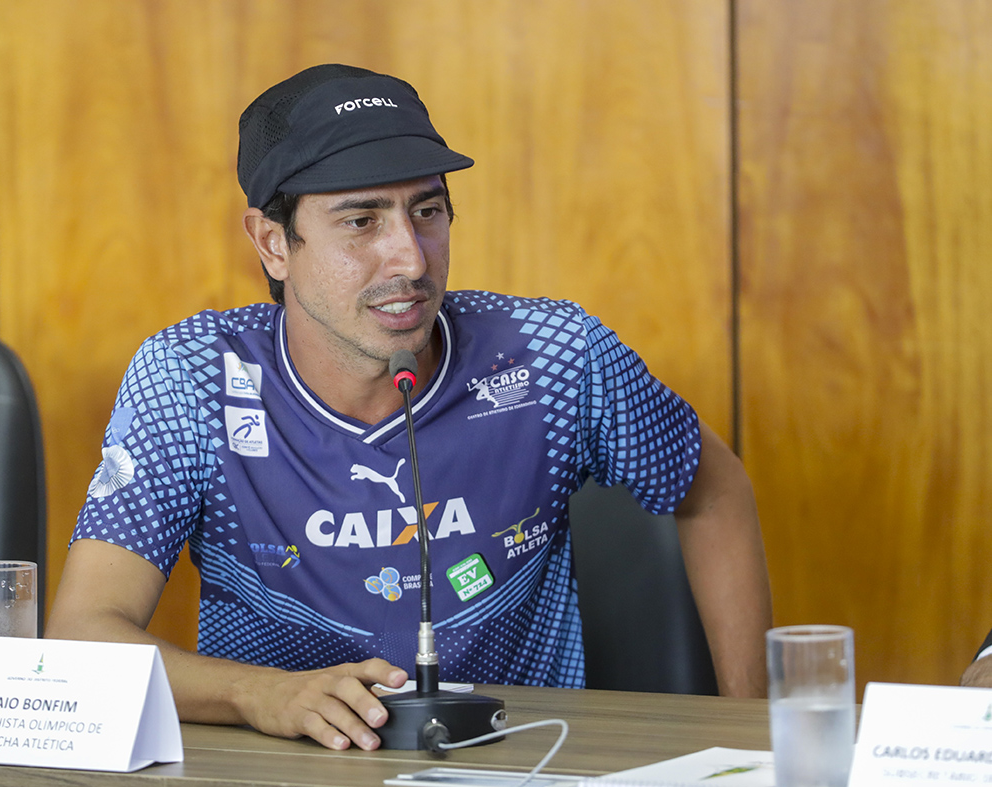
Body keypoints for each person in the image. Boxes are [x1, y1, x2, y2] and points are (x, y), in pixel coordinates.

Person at [46, 63, 772, 752]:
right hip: (282, 766)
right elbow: (82, 631)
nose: (411, 259)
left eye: (426, 211)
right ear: (273, 243)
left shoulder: (553, 355)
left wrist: (753, 730)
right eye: (360, 221)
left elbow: (713, 488)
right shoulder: (193, 378)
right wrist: (258, 694)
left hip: (524, 759)